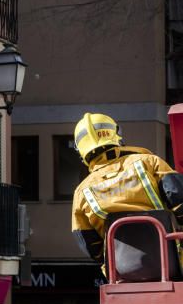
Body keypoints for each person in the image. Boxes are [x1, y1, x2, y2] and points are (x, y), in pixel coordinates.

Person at [70, 113, 183, 281]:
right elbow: (180, 201)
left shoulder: (81, 192)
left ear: (81, 151)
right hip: (174, 266)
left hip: (121, 276)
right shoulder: (149, 162)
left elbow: (91, 248)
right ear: (116, 135)